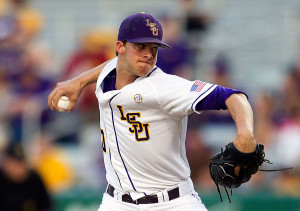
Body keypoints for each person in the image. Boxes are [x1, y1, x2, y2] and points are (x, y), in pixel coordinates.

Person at [49, 12, 257, 211]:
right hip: (117, 202)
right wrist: (79, 81)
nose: (148, 54)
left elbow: (233, 96)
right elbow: (112, 65)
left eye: (154, 48)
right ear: (120, 47)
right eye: (141, 46)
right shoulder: (110, 73)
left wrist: (245, 133)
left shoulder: (165, 87)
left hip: (172, 202)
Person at [0, 142, 52, 211]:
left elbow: (45, 205)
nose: (18, 168)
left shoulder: (35, 179)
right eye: (14, 163)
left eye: (21, 163)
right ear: (5, 163)